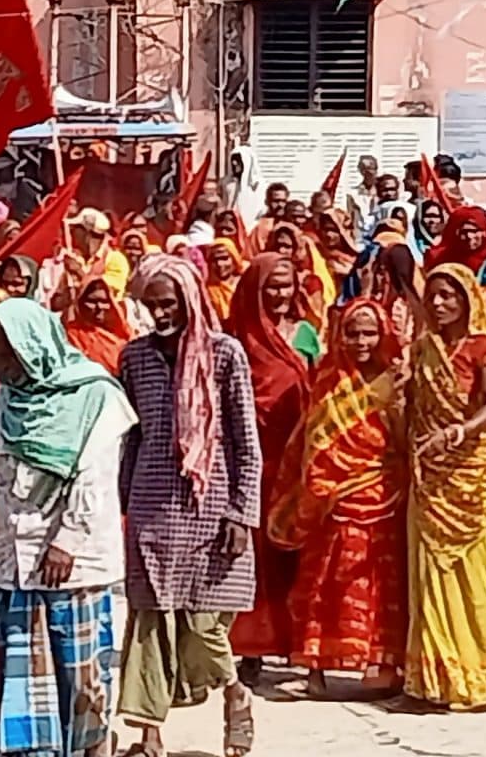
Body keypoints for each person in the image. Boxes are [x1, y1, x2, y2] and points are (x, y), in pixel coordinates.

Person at [114, 254, 263, 756]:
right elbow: (131, 438)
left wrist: (242, 513)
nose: (160, 314)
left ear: (190, 299)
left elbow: (245, 440)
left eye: (168, 303)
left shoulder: (225, 355)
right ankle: (149, 735)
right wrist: (122, 503)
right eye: (151, 305)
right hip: (151, 507)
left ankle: (234, 693)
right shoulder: (134, 358)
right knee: (149, 624)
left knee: (204, 628)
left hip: (212, 509)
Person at [0, 299, 136, 757]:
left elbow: (95, 477)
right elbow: (0, 479)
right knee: (18, 682)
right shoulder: (6, 401)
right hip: (16, 565)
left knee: (79, 679)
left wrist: (64, 542)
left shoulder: (95, 396)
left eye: (9, 354)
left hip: (75, 566)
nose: (2, 366)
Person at [401, 264, 486, 711]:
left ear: (468, 299)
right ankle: (435, 678)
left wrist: (457, 433)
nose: (438, 304)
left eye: (448, 296)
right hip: (429, 476)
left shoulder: (482, 347)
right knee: (431, 576)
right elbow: (410, 405)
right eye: (432, 296)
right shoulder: (421, 350)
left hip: (472, 474)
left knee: (480, 577)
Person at [268, 301, 408, 699]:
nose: (360, 341)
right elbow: (313, 441)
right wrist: (322, 483)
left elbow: (402, 439)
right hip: (332, 498)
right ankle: (314, 668)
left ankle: (382, 666)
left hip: (383, 491)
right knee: (324, 580)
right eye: (352, 333)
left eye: (369, 333)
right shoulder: (328, 380)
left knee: (381, 583)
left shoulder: (394, 379)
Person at [220, 253, 311, 671]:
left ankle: (296, 643)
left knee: (292, 549)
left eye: (286, 285)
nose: (280, 293)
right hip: (248, 460)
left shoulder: (306, 333)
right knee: (250, 556)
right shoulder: (234, 337)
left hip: (294, 458)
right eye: (271, 285)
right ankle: (250, 649)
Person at [63, 270, 133, 376]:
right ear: (81, 304)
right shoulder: (72, 335)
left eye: (104, 302)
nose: (99, 307)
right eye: (92, 301)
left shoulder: (124, 331)